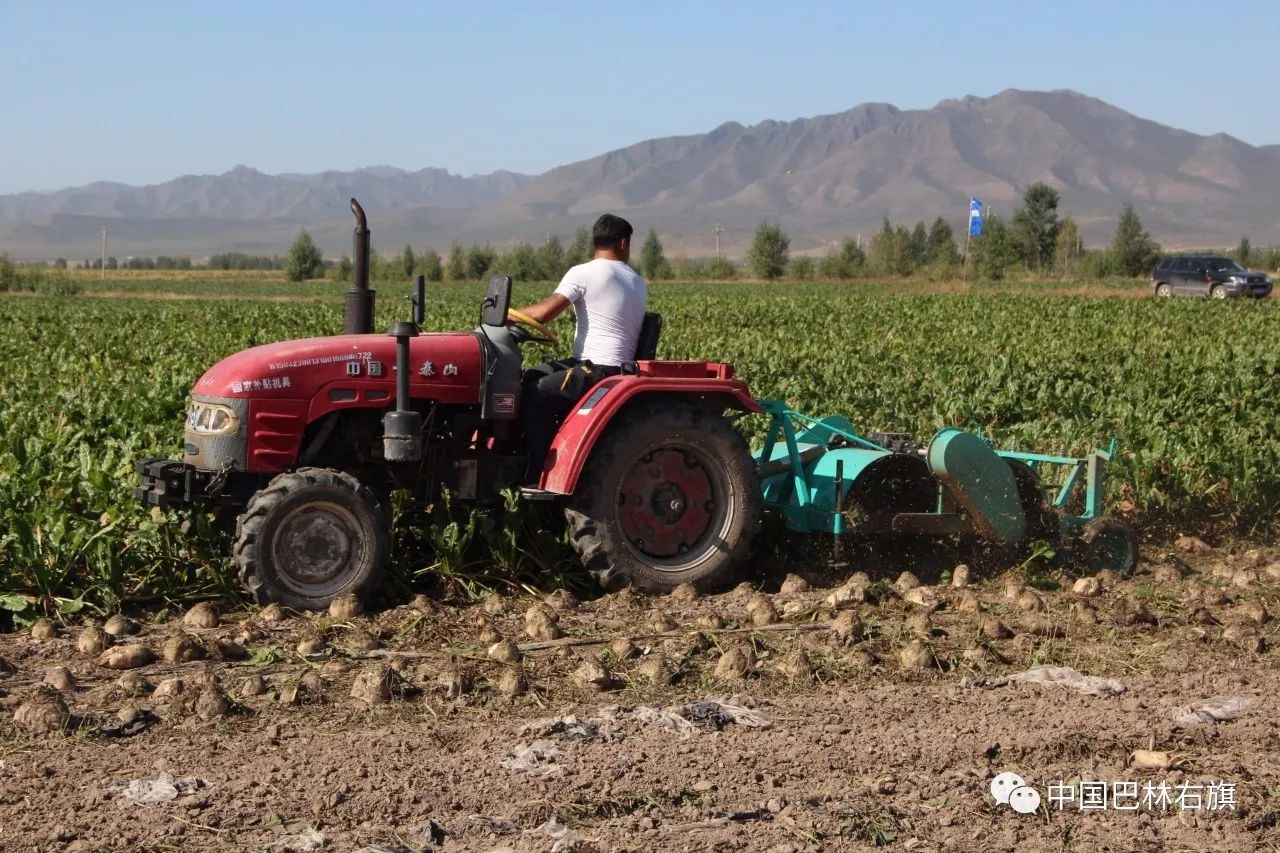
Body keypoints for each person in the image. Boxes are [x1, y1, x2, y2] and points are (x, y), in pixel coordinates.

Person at [515, 213, 648, 483]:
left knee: (533, 393)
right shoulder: (637, 281)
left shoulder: (584, 272)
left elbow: (544, 313)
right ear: (623, 243)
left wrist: (508, 314)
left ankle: (536, 472)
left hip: (599, 372)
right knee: (529, 376)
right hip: (612, 368)